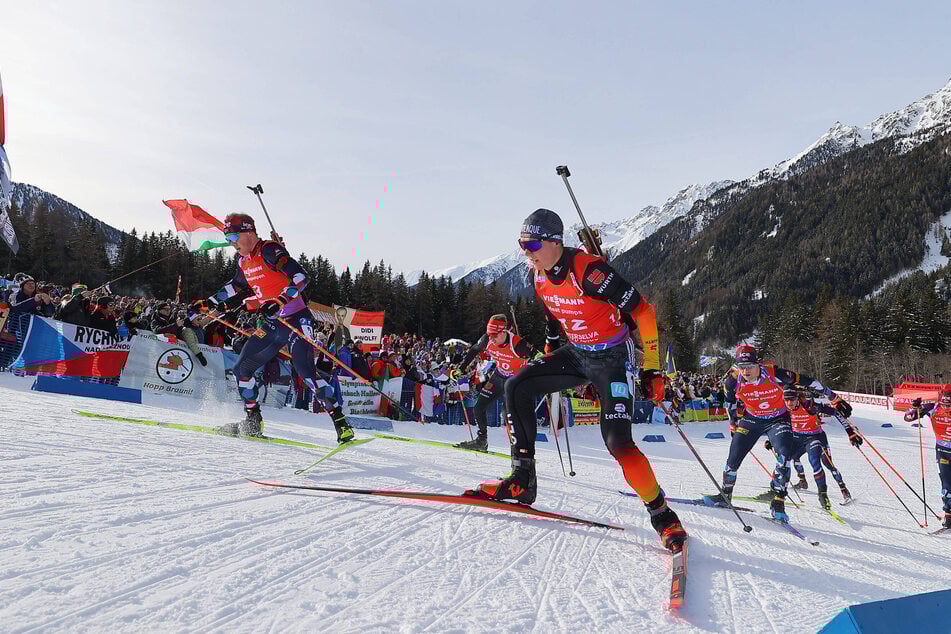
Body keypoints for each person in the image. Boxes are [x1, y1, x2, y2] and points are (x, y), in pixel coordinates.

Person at [467, 208, 686, 551]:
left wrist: (653, 368)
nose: (527, 250)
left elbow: (643, 311)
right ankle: (522, 479)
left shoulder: (589, 272)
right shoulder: (536, 274)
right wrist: (552, 342)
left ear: (555, 242)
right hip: (577, 352)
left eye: (533, 243)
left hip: (612, 358)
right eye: (522, 243)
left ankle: (663, 516)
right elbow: (554, 309)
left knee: (618, 443)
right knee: (517, 385)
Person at [207, 213, 354, 442]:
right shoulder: (243, 262)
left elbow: (301, 277)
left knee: (306, 372)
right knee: (242, 370)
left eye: (234, 236)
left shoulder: (269, 250)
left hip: (296, 318)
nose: (231, 243)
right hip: (273, 324)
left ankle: (341, 423)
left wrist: (280, 301)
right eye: (228, 238)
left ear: (249, 232)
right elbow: (235, 286)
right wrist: (210, 302)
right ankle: (253, 421)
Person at [706, 344, 852, 522]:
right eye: (741, 367)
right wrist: (732, 423)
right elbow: (730, 404)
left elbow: (811, 382)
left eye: (750, 366)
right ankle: (725, 495)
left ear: (758, 364)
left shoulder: (775, 374)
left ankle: (778, 502)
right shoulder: (732, 381)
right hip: (752, 420)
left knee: (784, 455)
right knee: (733, 457)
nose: (746, 371)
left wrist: (834, 398)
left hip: (778, 420)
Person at [763, 387, 860, 508]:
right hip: (797, 438)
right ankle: (776, 490)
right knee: (783, 459)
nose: (789, 403)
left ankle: (832, 492)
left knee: (821, 462)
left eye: (792, 399)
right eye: (786, 400)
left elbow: (837, 413)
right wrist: (772, 440)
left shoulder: (810, 406)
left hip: (815, 437)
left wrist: (850, 432)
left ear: (797, 398)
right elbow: (776, 424)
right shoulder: (784, 409)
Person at [451, 314, 536, 452]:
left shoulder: (518, 344)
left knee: (507, 414)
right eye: (489, 334)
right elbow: (474, 350)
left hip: (515, 381)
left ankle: (518, 451)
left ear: (504, 332)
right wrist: (461, 368)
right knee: (479, 408)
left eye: (494, 335)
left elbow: (538, 356)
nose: (491, 338)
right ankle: (481, 441)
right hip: (498, 376)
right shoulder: (487, 339)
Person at [904, 388, 951, 529]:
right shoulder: (934, 407)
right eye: (945, 404)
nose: (947, 408)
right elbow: (908, 417)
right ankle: (948, 515)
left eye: (950, 405)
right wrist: (914, 408)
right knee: (947, 485)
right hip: (943, 451)